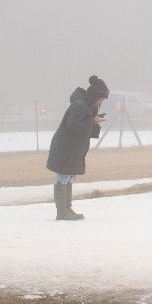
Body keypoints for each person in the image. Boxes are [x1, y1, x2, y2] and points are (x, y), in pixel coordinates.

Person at [46, 74, 108, 221]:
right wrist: (92, 121)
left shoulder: (86, 105)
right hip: (65, 147)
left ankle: (67, 208)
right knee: (63, 177)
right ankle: (62, 211)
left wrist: (93, 121)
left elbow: (83, 124)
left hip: (72, 148)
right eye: (100, 99)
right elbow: (73, 126)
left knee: (68, 177)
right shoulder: (79, 105)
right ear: (95, 96)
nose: (101, 102)